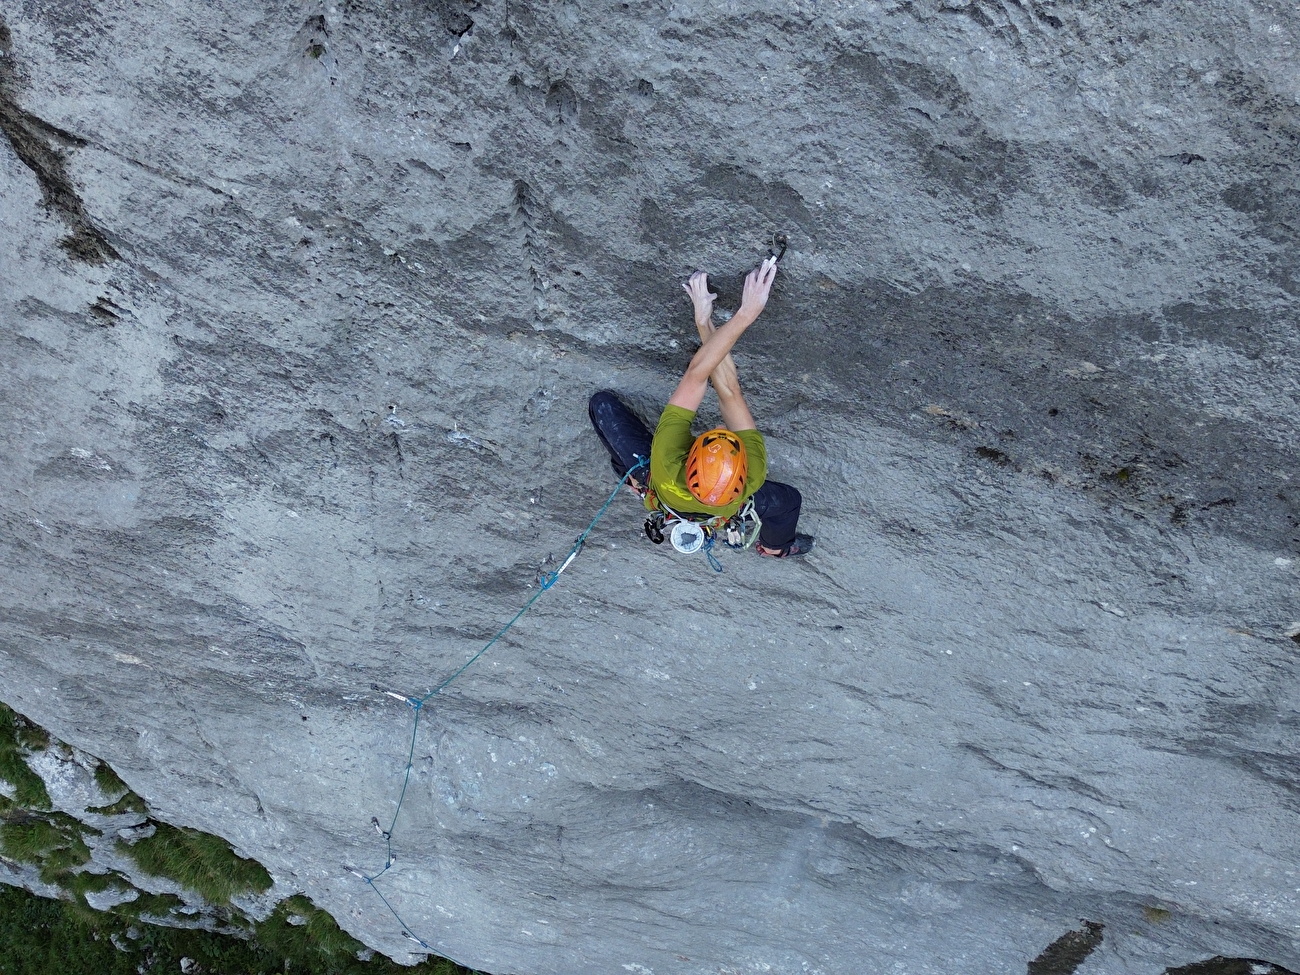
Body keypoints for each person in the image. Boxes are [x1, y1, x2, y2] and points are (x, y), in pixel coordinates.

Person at [589, 256, 814, 558]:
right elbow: (728, 392)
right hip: (676, 497)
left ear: (689, 455)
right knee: (788, 501)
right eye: (727, 436)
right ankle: (775, 547)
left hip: (660, 486)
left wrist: (714, 319)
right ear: (742, 471)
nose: (721, 427)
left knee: (602, 407)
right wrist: (730, 317)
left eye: (713, 436)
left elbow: (698, 374)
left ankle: (628, 475)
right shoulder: (754, 474)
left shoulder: (667, 463)